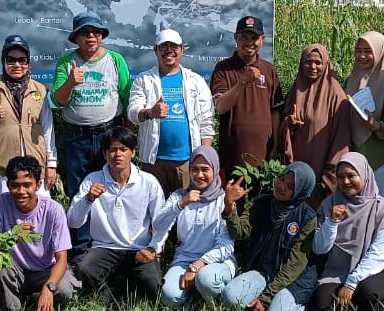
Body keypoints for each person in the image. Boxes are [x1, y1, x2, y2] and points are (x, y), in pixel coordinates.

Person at [65, 126, 163, 302]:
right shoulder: (92, 180)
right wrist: (88, 199)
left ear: (133, 153)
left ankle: (122, 286)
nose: (117, 154)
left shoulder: (148, 182)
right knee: (84, 272)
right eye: (112, 150)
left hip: (138, 249)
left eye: (123, 149)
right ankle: (114, 287)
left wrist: (153, 249)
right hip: (104, 247)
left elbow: (161, 223)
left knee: (153, 284)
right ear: (104, 154)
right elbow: (73, 222)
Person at [307, 152, 384, 311]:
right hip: (338, 271)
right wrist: (332, 222)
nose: (345, 182)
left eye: (352, 176)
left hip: (379, 268)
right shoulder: (330, 204)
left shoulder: (382, 208)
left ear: (365, 175)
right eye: (341, 177)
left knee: (370, 292)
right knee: (321, 305)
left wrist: (352, 283)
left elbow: (379, 253)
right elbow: (319, 248)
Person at [220, 162, 319, 311]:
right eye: (281, 178)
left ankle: (296, 305)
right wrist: (229, 208)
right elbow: (240, 232)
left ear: (300, 192)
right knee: (229, 297)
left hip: (293, 281)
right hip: (264, 272)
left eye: (290, 186)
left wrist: (266, 297)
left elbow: (295, 265)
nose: (280, 186)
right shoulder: (262, 203)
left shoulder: (307, 217)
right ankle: (267, 303)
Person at [0, 156, 79, 311]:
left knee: (65, 290)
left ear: (38, 185)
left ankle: (40, 297)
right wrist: (11, 237)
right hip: (14, 271)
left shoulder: (53, 210)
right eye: (15, 186)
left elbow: (62, 259)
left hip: (45, 271)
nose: (21, 192)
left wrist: (49, 288)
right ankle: (14, 310)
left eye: (27, 185)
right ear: (8, 185)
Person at [52, 11, 132, 203]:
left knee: (111, 187)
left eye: (96, 32)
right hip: (77, 137)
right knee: (79, 189)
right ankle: (82, 232)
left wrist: (128, 134)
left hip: (110, 133)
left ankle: (107, 232)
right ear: (76, 38)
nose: (91, 36)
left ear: (102, 35)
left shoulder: (115, 60)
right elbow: (57, 101)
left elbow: (127, 98)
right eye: (85, 32)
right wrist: (70, 82)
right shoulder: (66, 62)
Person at [128, 28, 215, 195]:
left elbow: (206, 122)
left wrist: (204, 158)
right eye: (163, 46)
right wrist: (149, 112)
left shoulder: (196, 81)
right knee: (155, 211)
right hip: (153, 161)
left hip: (187, 162)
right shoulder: (143, 80)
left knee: (186, 211)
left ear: (182, 50)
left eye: (174, 46)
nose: (169, 50)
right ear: (155, 50)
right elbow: (133, 111)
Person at [0, 35, 56, 210]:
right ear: (3, 62)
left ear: (28, 63)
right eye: (11, 60)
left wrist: (51, 164)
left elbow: (48, 129)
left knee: (38, 217)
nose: (17, 65)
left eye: (22, 60)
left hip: (35, 169)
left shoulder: (40, 90)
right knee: (0, 219)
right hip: (1, 169)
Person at [150, 146, 236, 309]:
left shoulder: (223, 200)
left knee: (207, 280)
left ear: (215, 170)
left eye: (205, 169)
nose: (199, 175)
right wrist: (181, 204)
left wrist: (197, 265)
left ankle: (215, 302)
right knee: (168, 296)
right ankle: (198, 302)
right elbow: (158, 225)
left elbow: (226, 245)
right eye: (194, 169)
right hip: (185, 258)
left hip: (218, 262)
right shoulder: (180, 196)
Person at [211, 16, 284, 183]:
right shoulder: (223, 69)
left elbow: (275, 111)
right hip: (232, 157)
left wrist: (275, 147)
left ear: (262, 40)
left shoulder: (269, 70)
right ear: (236, 38)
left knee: (259, 206)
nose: (249, 42)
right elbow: (221, 107)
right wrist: (243, 81)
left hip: (263, 157)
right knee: (233, 206)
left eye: (254, 38)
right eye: (244, 37)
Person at [277, 44, 353, 204]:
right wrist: (288, 123)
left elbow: (342, 137)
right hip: (297, 166)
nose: (312, 67)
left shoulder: (336, 96)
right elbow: (282, 125)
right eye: (308, 62)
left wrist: (330, 175)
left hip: (322, 169)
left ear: (325, 64)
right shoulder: (296, 90)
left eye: (318, 63)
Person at [344, 31, 384, 202]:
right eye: (358, 50)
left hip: (380, 158)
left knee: (379, 208)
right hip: (356, 154)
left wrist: (374, 125)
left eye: (368, 51)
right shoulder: (353, 79)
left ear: (380, 51)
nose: (362, 56)